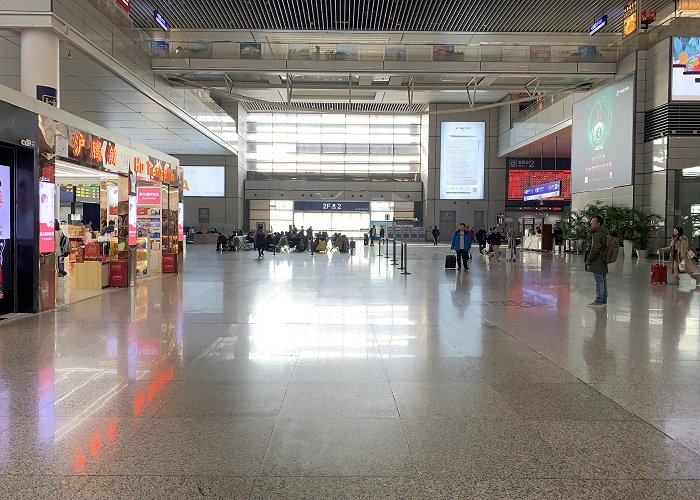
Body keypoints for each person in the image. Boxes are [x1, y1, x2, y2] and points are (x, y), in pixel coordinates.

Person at [584, 215, 610, 307]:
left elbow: (595, 249)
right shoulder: (604, 233)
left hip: (597, 261)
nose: (591, 223)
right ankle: (603, 300)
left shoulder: (597, 234)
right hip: (603, 259)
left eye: (593, 221)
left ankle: (599, 300)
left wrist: (589, 260)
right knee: (603, 280)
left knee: (599, 281)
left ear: (599, 224)